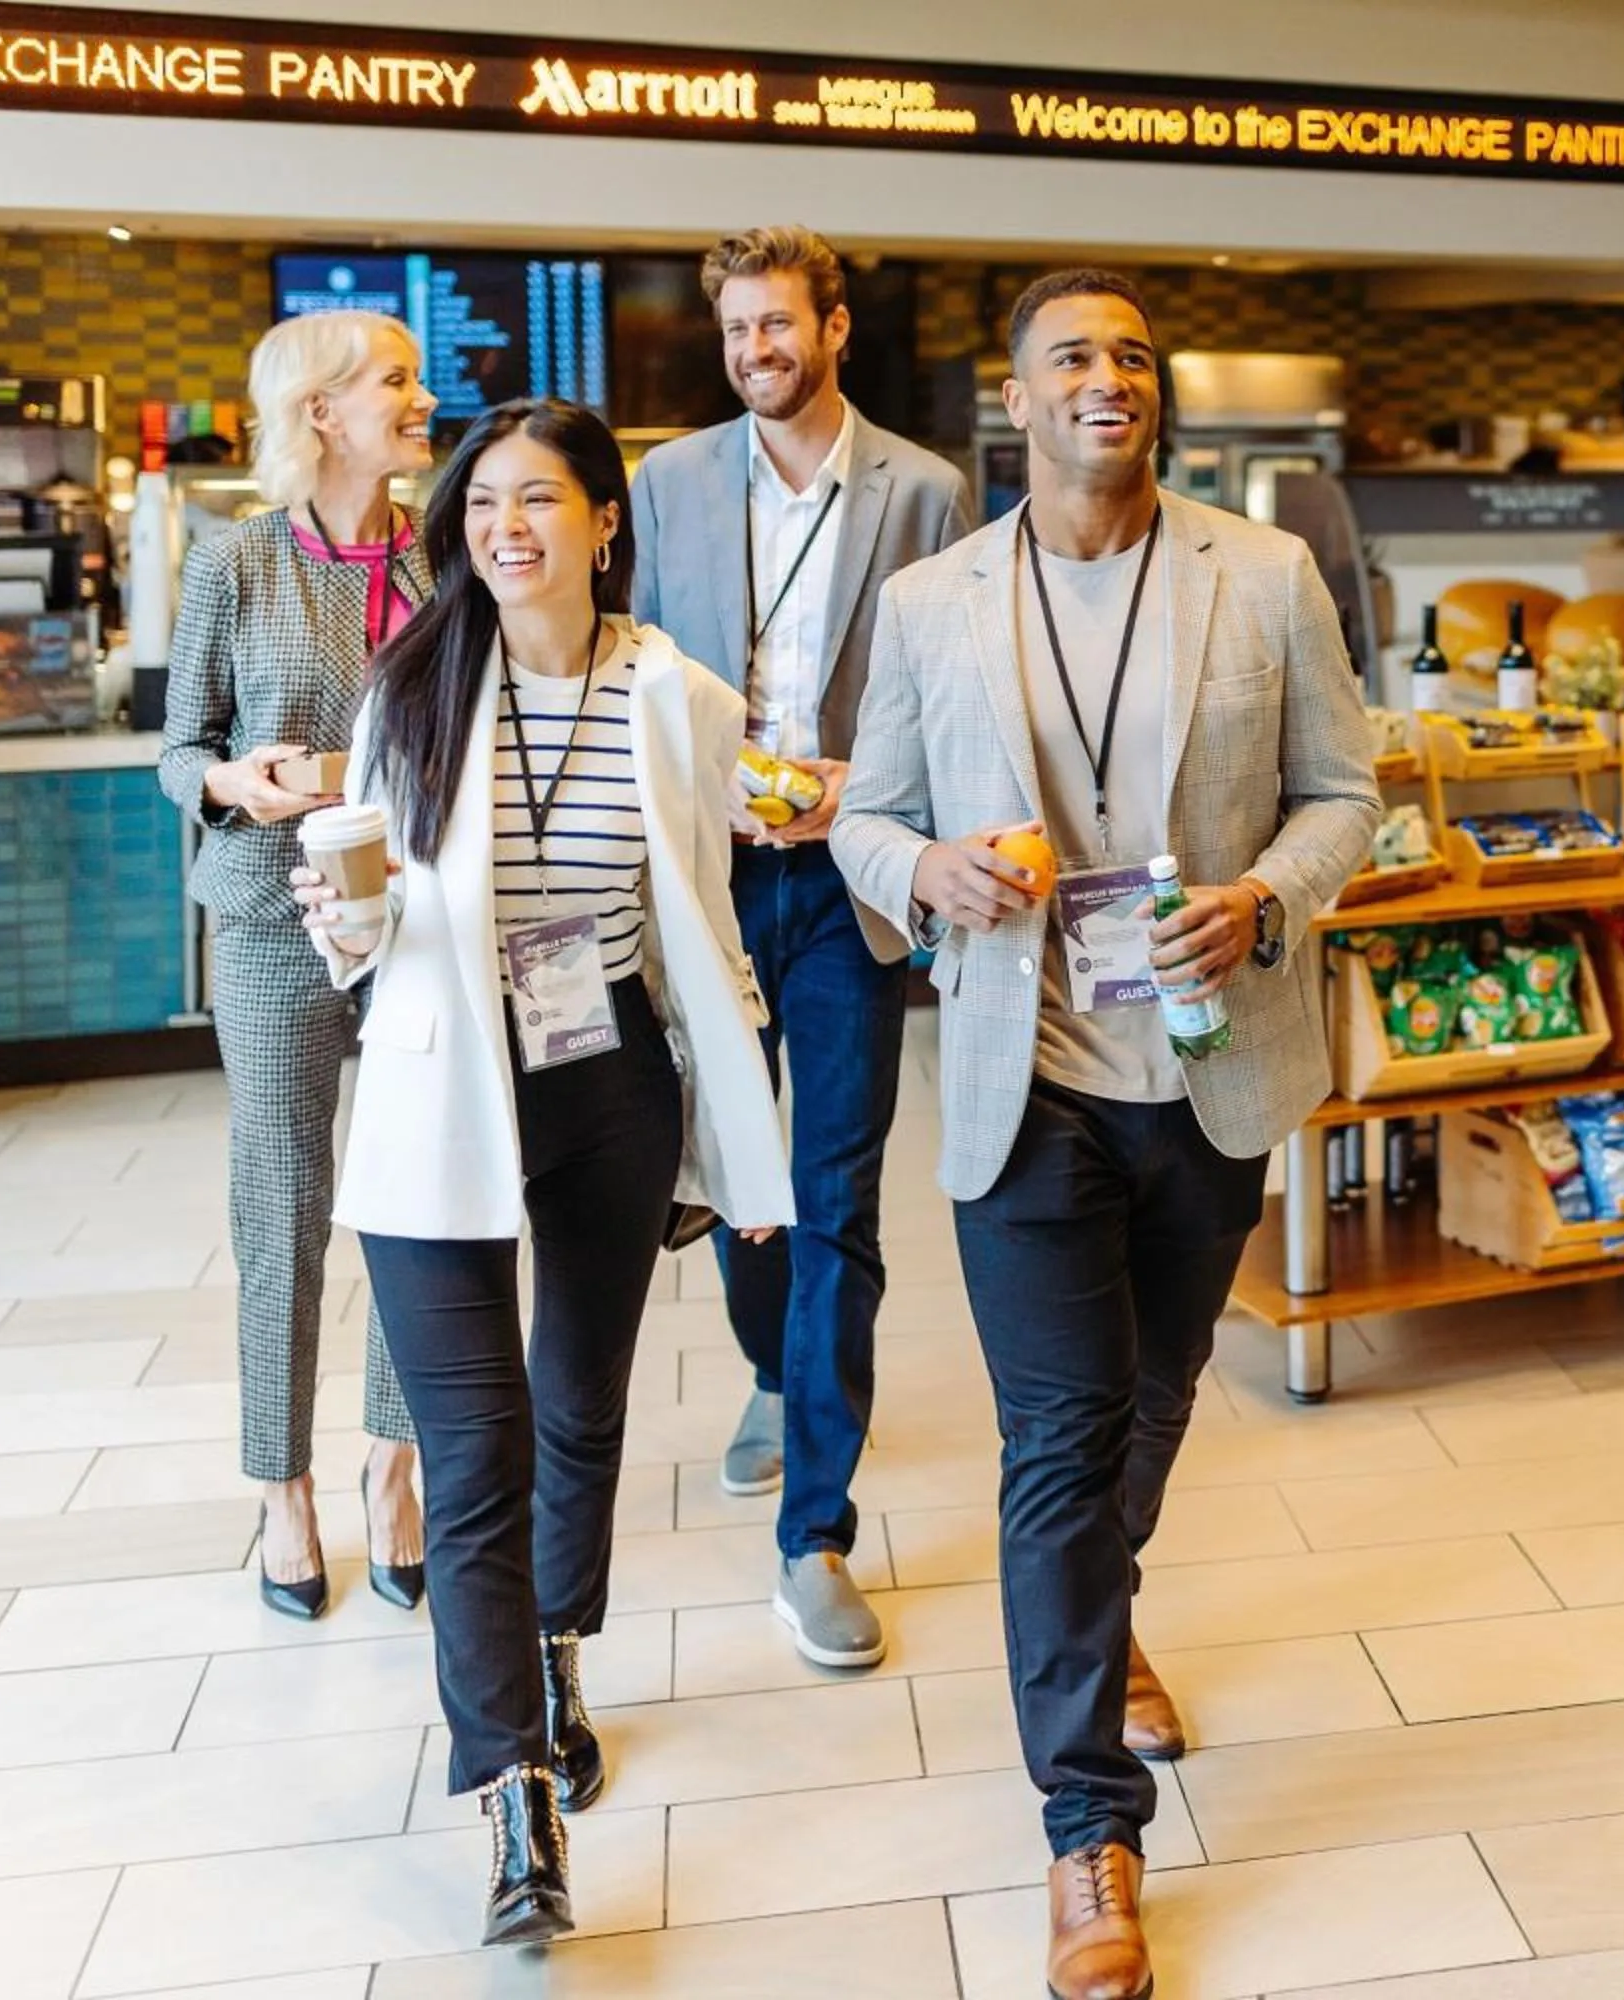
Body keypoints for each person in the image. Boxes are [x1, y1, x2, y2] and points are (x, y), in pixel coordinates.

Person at [833, 269, 1377, 2000]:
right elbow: (865, 816)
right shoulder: (931, 603)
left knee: (1150, 1404)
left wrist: (1266, 903)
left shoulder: (1265, 573)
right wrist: (922, 874)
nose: (1109, 380)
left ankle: (1099, 1614)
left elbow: (1347, 793)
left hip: (1207, 1071)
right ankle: (1091, 1831)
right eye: (1075, 355)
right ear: (1019, 398)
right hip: (1028, 1079)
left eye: (1135, 357)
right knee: (1059, 1439)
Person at [289, 399, 793, 1949]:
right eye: (486, 502)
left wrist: (821, 802)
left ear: (602, 523)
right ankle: (513, 1791)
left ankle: (561, 1641)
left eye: (542, 500)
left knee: (580, 1405)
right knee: (477, 1443)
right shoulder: (413, 684)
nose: (510, 526)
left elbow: (753, 820)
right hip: (442, 1095)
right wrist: (343, 923)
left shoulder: (672, 687)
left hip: (607, 1087)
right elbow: (364, 915)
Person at [629, 224, 975, 1670]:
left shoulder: (925, 492)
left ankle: (815, 1532)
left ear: (835, 329)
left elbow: (956, 687)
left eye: (780, 326)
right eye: (736, 334)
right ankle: (776, 1371)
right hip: (716, 882)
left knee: (835, 1193)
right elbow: (636, 668)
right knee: (733, 1169)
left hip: (846, 887)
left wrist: (868, 790)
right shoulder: (669, 483)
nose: (757, 353)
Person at [156, 309, 435, 1621]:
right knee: (283, 1194)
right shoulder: (236, 561)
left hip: (414, 915)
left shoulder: (444, 564)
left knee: (410, 1195)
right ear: (324, 411)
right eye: (397, 379)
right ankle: (281, 1485)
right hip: (270, 915)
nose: (421, 397)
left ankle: (395, 1461)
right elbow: (177, 749)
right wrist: (231, 776)